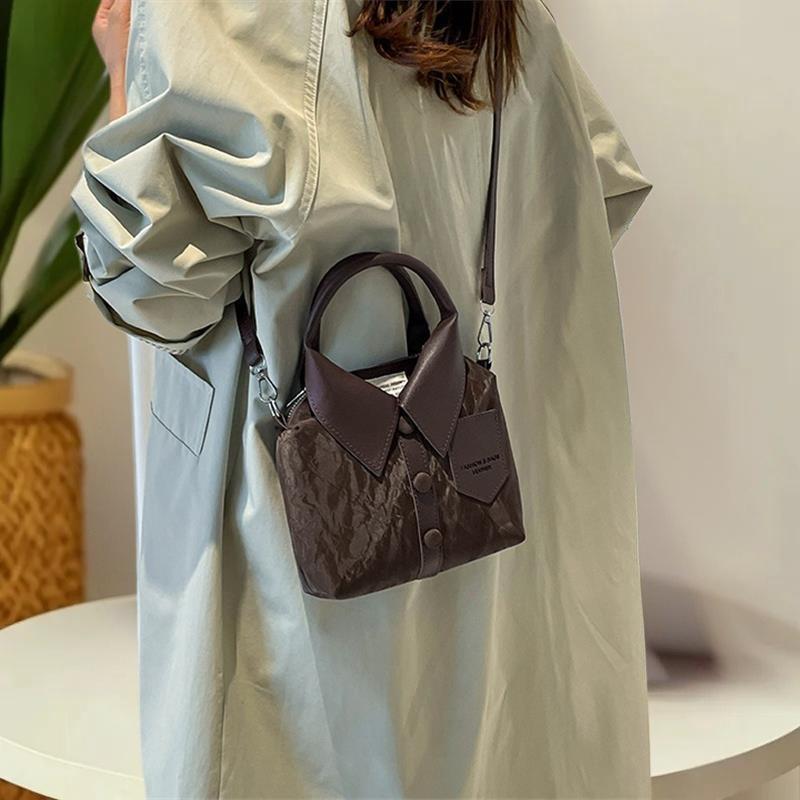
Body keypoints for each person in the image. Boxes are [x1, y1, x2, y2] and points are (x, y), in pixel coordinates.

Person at [76, 0, 653, 797]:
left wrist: (123, 72)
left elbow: (151, 288)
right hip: (495, 585)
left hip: (298, 604)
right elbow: (595, 195)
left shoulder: (225, 13)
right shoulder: (513, 20)